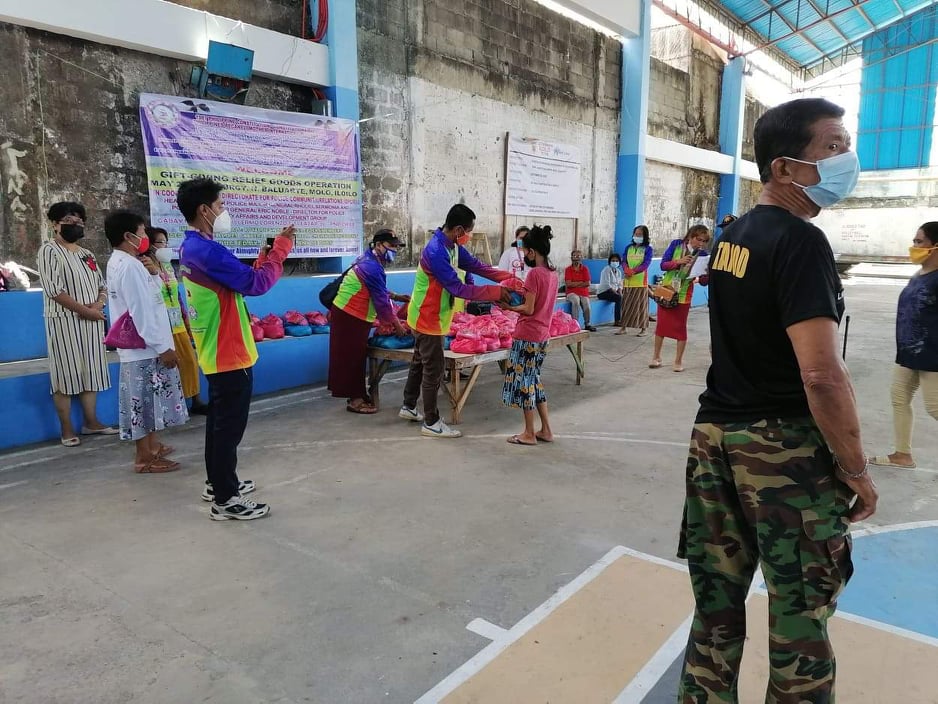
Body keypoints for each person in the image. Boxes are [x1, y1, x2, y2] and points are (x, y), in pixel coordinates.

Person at [678, 98, 878, 701]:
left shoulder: (733, 236)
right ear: (786, 168)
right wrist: (856, 469)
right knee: (800, 618)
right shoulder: (800, 242)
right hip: (781, 454)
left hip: (714, 440)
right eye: (835, 147)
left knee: (715, 610)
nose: (849, 158)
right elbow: (821, 375)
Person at [176, 177, 295, 521]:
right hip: (228, 351)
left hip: (217, 348)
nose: (223, 210)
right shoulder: (206, 250)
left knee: (219, 424)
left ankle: (218, 484)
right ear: (204, 210)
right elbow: (257, 284)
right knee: (228, 428)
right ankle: (226, 500)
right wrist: (282, 249)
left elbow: (239, 280)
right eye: (220, 205)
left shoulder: (195, 248)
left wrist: (264, 254)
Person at [399, 204, 513, 438]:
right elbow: (458, 288)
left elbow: (475, 265)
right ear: (459, 229)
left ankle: (408, 405)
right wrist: (495, 293)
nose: (470, 236)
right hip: (427, 317)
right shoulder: (436, 252)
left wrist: (506, 277)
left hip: (431, 315)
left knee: (420, 361)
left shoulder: (450, 245)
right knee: (434, 369)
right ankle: (431, 421)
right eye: (469, 231)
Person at [104, 211, 187, 473]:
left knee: (150, 402)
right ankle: (144, 457)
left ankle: (152, 446)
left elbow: (148, 299)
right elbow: (141, 311)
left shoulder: (122, 262)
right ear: (128, 236)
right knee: (143, 403)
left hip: (144, 346)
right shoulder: (129, 266)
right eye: (141, 234)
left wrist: (152, 275)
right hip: (146, 347)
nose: (145, 239)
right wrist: (162, 347)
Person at [37, 201, 117, 446]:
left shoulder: (87, 255)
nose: (75, 225)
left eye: (79, 222)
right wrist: (85, 310)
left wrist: (97, 306)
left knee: (91, 370)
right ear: (55, 224)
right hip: (64, 322)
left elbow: (103, 286)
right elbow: (54, 290)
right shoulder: (49, 250)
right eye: (69, 221)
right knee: (65, 374)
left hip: (91, 322)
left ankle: (91, 422)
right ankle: (66, 429)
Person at [870, 221, 938, 469]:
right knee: (899, 398)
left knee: (935, 408)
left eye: (919, 242)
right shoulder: (920, 275)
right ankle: (902, 455)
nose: (914, 247)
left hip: (932, 356)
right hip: (909, 353)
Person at [329, 229, 409, 414]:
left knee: (352, 356)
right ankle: (355, 400)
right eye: (391, 246)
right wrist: (397, 325)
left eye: (396, 246)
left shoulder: (369, 260)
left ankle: (356, 394)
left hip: (351, 313)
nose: (394, 250)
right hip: (351, 314)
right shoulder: (372, 266)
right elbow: (380, 301)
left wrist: (396, 296)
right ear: (379, 245)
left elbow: (376, 289)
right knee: (351, 358)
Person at [500, 225, 559, 446]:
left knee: (524, 383)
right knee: (534, 380)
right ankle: (546, 430)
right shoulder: (553, 273)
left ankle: (528, 432)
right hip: (542, 334)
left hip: (528, 335)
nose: (524, 256)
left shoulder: (534, 274)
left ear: (533, 252)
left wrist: (508, 306)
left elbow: (529, 308)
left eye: (525, 252)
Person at [146, 227, 208, 415]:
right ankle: (174, 406)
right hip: (161, 324)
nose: (164, 246)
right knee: (169, 367)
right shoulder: (146, 265)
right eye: (160, 242)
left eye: (166, 242)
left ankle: (195, 399)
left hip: (177, 322)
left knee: (189, 360)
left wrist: (185, 316)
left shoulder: (167, 265)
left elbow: (177, 293)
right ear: (149, 244)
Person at [650, 225, 710, 372]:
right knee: (661, 326)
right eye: (698, 239)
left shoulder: (703, 255)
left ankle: (678, 361)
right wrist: (678, 262)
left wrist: (705, 272)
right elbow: (664, 264)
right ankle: (656, 357)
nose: (701, 243)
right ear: (690, 236)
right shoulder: (676, 245)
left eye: (704, 241)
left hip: (685, 292)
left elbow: (704, 279)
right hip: (667, 289)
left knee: (680, 327)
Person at [617, 225, 653, 336]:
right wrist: (626, 269)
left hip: (640, 282)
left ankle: (643, 329)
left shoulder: (648, 249)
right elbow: (623, 261)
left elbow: (645, 264)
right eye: (635, 234)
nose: (637, 236)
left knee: (641, 306)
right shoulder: (629, 248)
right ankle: (623, 327)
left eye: (640, 234)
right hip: (628, 282)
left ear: (645, 236)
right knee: (626, 305)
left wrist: (633, 271)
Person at [563, 249, 596, 332]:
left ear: (581, 258)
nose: (576, 258)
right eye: (574, 256)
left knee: (587, 305)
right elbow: (568, 284)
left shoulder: (585, 269)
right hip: (571, 293)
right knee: (575, 302)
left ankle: (587, 324)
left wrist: (575, 283)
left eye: (578, 256)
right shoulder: (568, 269)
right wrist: (581, 282)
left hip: (583, 293)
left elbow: (588, 283)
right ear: (571, 258)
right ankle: (575, 324)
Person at [596, 254, 624, 325]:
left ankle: (624, 318)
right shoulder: (606, 269)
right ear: (609, 262)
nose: (615, 262)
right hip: (603, 292)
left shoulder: (618, 271)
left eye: (617, 261)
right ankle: (617, 321)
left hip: (613, 291)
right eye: (613, 260)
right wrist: (617, 294)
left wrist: (620, 292)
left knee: (623, 296)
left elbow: (619, 284)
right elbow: (607, 285)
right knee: (618, 298)